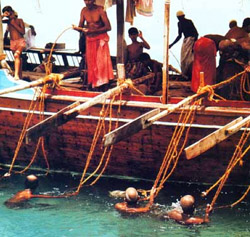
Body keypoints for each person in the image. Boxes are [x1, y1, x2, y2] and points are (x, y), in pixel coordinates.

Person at [72, 0, 114, 91]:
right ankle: (94, 84)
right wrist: (76, 28)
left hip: (101, 39)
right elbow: (81, 27)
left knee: (101, 63)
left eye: (89, 0)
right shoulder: (83, 11)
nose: (87, 2)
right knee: (92, 63)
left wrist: (93, 31)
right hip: (90, 40)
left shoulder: (100, 10)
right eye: (85, 0)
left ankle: (104, 84)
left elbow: (108, 27)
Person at [169, 10, 198, 79]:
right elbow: (179, 36)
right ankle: (185, 74)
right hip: (186, 41)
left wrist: (194, 44)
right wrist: (171, 44)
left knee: (190, 59)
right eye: (178, 18)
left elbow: (196, 33)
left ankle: (191, 75)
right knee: (183, 59)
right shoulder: (179, 23)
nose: (180, 19)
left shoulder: (189, 22)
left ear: (183, 16)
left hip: (191, 40)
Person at [2, 6, 26, 80]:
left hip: (20, 41)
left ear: (12, 12)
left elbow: (23, 32)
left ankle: (16, 75)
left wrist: (14, 24)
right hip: (13, 42)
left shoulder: (19, 20)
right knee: (18, 58)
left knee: (16, 55)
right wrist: (3, 16)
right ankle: (20, 75)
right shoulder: (8, 22)